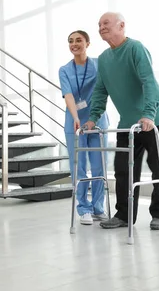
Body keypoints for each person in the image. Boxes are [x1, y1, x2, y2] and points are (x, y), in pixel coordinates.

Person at [84, 12, 159, 231]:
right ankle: (124, 214)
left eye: (106, 23)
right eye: (99, 25)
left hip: (154, 120)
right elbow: (100, 90)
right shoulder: (104, 58)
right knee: (123, 169)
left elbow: (148, 82)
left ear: (121, 25)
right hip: (127, 123)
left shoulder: (135, 48)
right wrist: (93, 118)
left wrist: (149, 114)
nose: (101, 27)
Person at [59, 30, 110, 226]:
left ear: (87, 43)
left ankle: (98, 207)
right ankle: (84, 208)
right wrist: (75, 117)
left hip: (98, 122)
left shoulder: (98, 64)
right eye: (70, 41)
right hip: (75, 123)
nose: (74, 44)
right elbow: (69, 96)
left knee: (99, 166)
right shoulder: (64, 70)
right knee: (78, 167)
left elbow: (106, 89)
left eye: (78, 40)